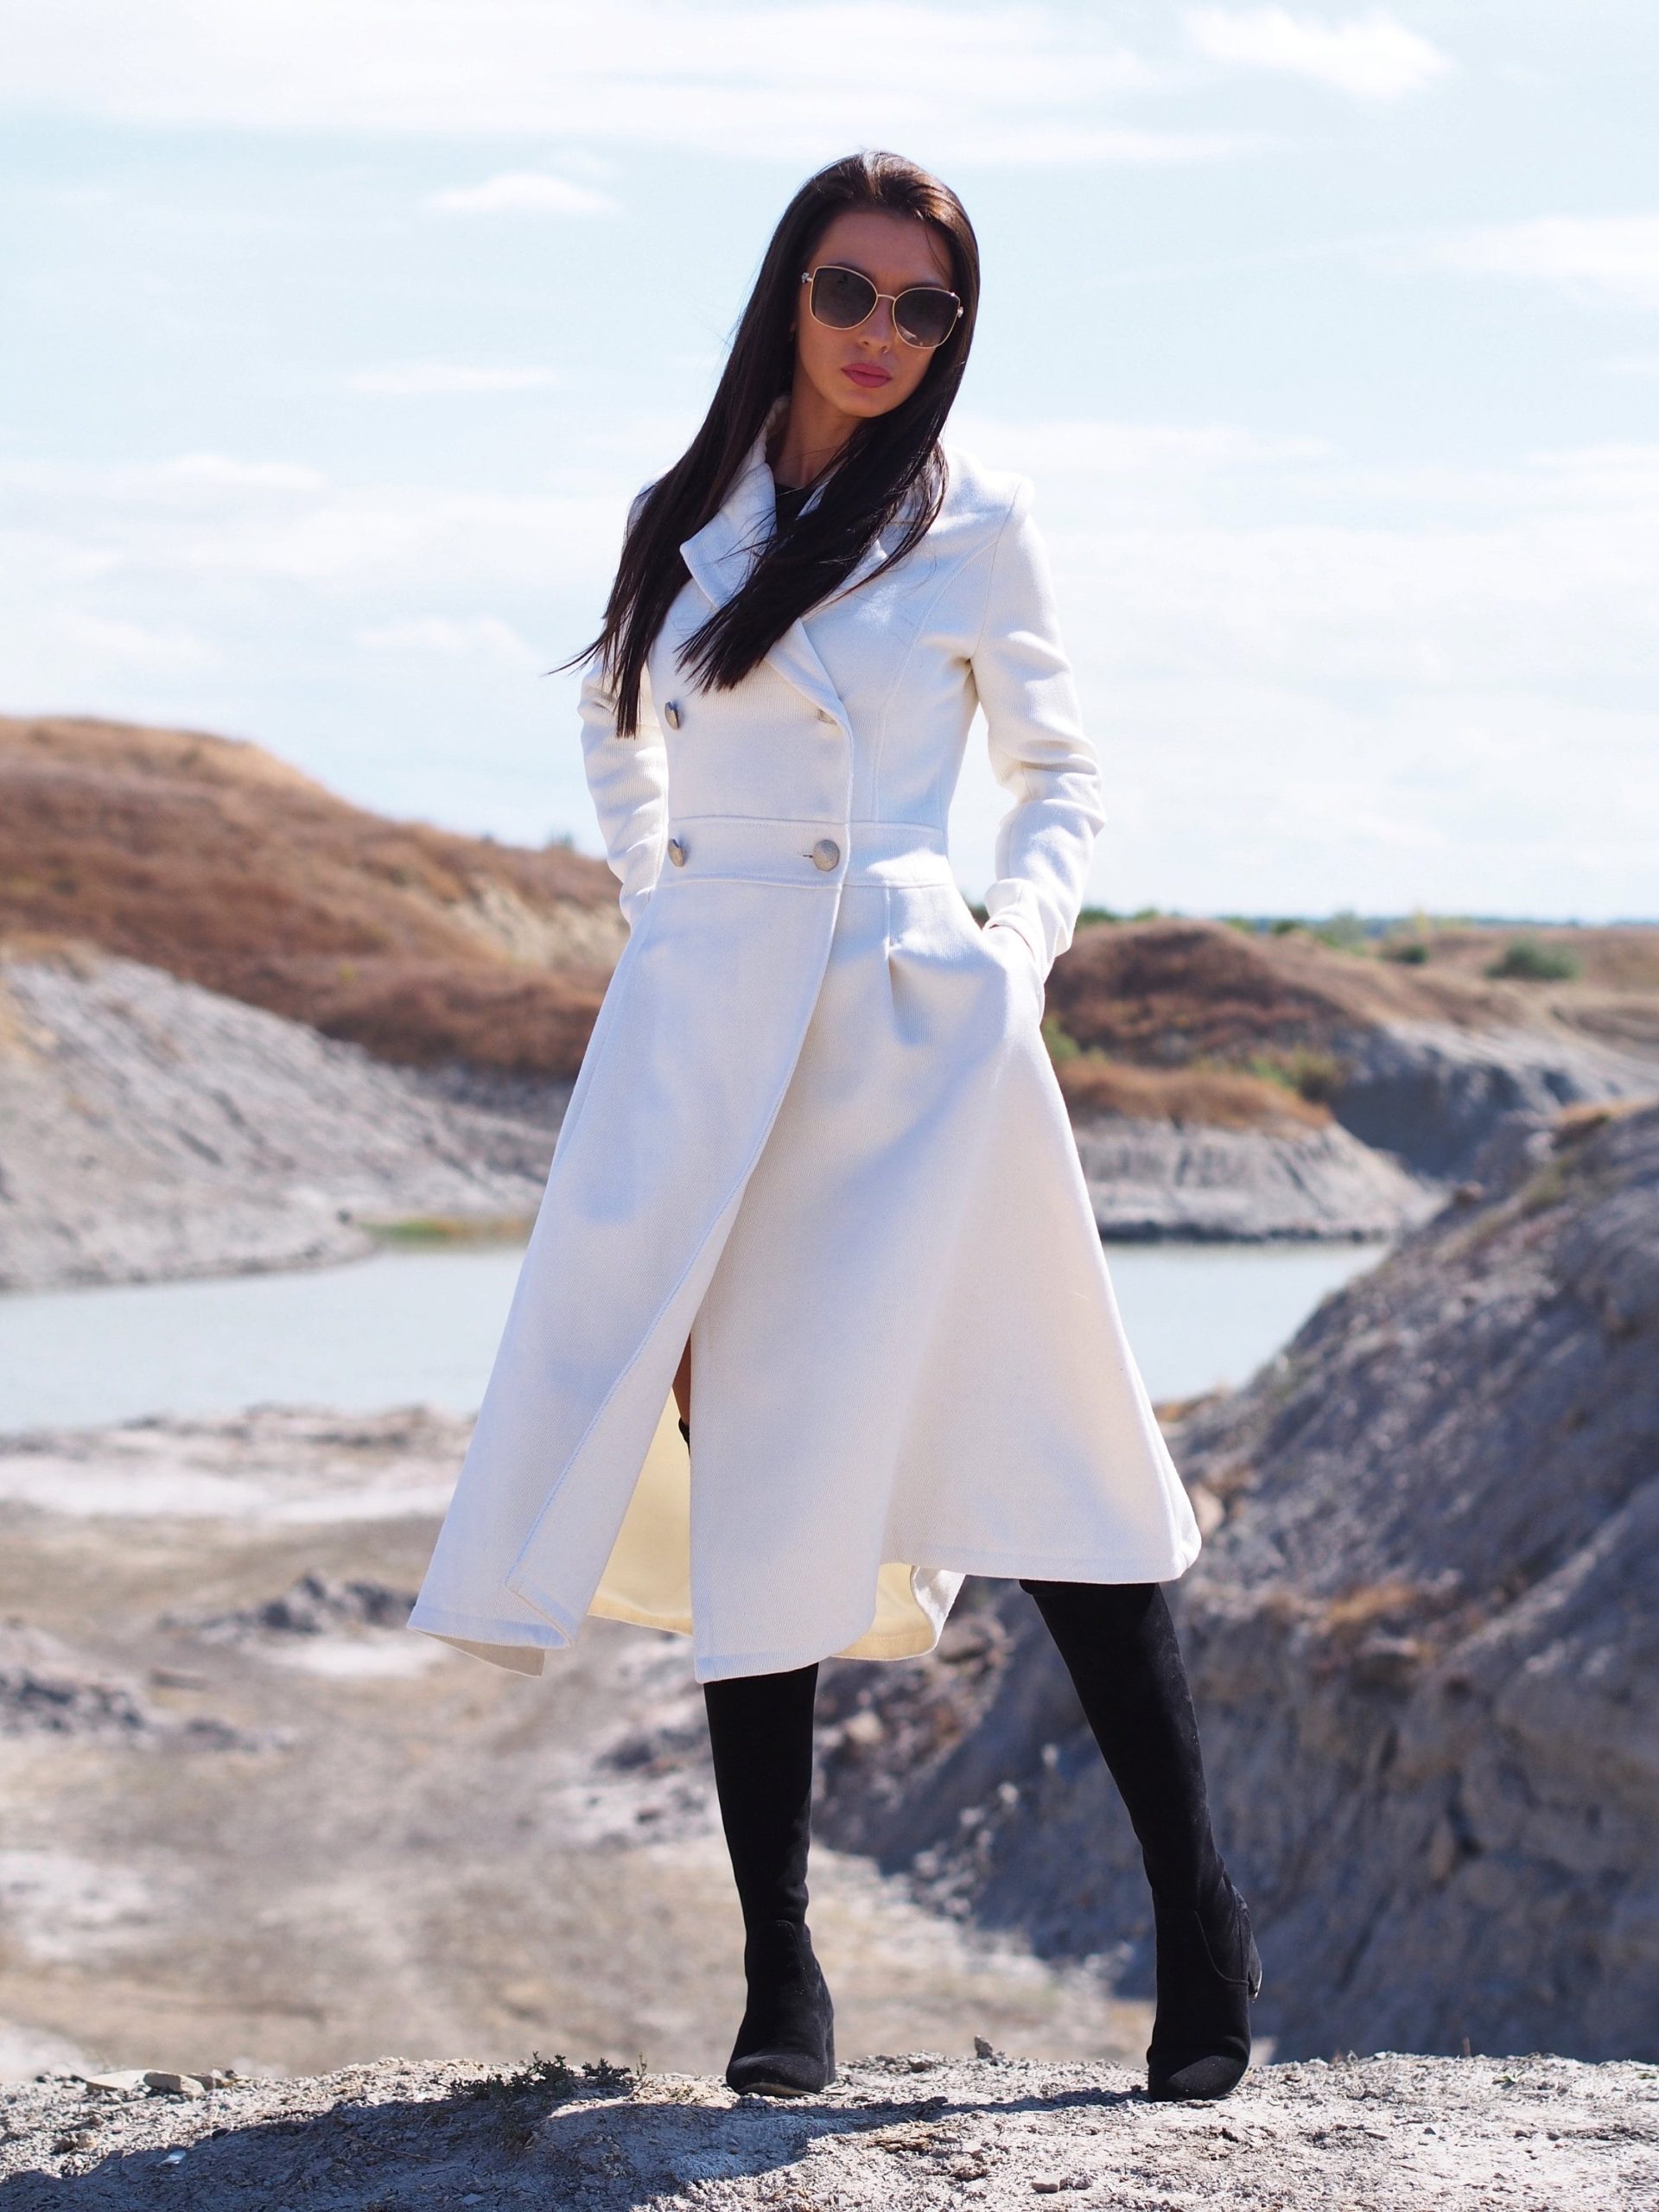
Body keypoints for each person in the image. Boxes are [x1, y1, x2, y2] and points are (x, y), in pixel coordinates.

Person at [407, 149, 1260, 2104]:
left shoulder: (978, 521)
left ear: (957, 332)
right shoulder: (681, 515)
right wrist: (669, 907)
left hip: (920, 1033)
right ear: (789, 291)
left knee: (1059, 1457)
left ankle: (1198, 1908)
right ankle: (779, 1966)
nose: (884, 332)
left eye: (925, 307)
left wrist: (1008, 955)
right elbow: (617, 727)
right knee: (761, 1465)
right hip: (716, 1035)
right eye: (850, 290)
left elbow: (1063, 778)